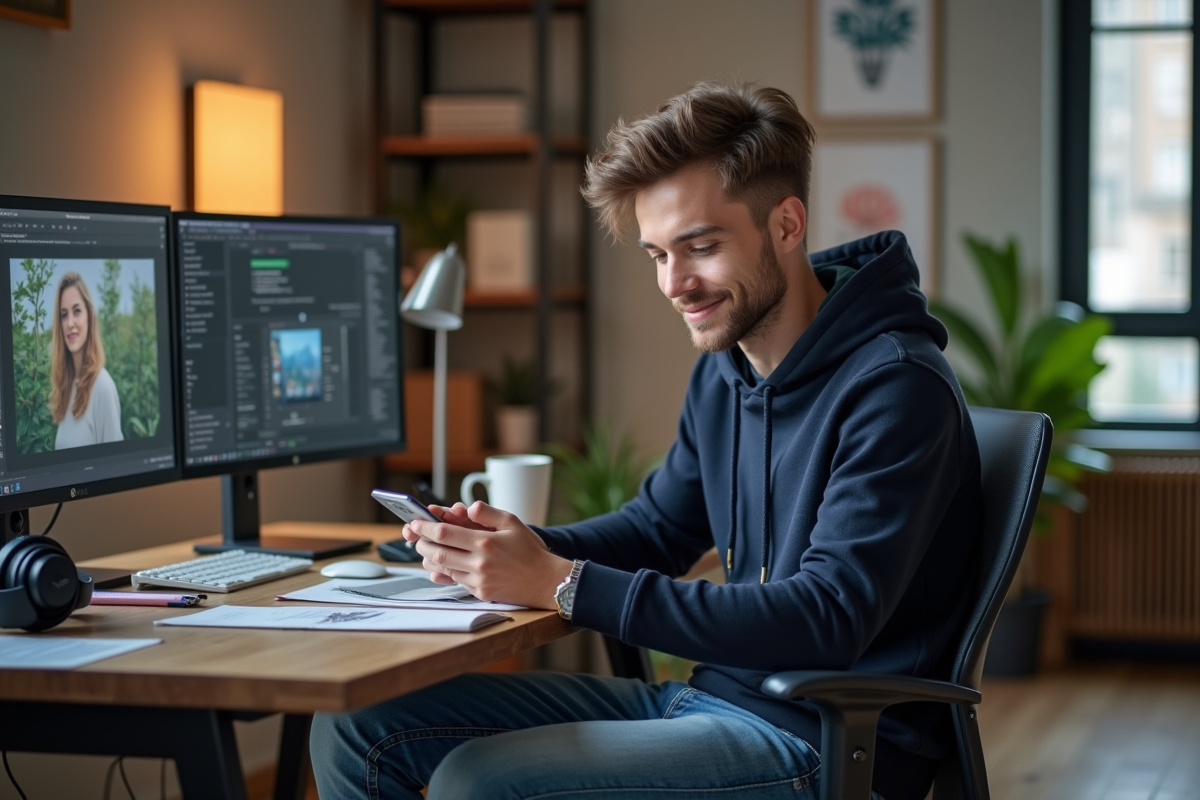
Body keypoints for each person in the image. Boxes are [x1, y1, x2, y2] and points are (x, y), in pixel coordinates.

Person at [310, 82, 982, 800]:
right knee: (358, 726)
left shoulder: (897, 389)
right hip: (707, 705)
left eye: (699, 248)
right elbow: (658, 529)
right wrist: (519, 549)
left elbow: (826, 618)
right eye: (657, 254)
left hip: (826, 742)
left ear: (786, 225)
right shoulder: (725, 373)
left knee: (481, 782)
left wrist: (561, 584)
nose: (675, 284)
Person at [50, 271, 123, 449]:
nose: (70, 323)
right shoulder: (66, 388)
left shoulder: (103, 388)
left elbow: (115, 469)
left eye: (77, 311)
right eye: (64, 314)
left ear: (89, 317)